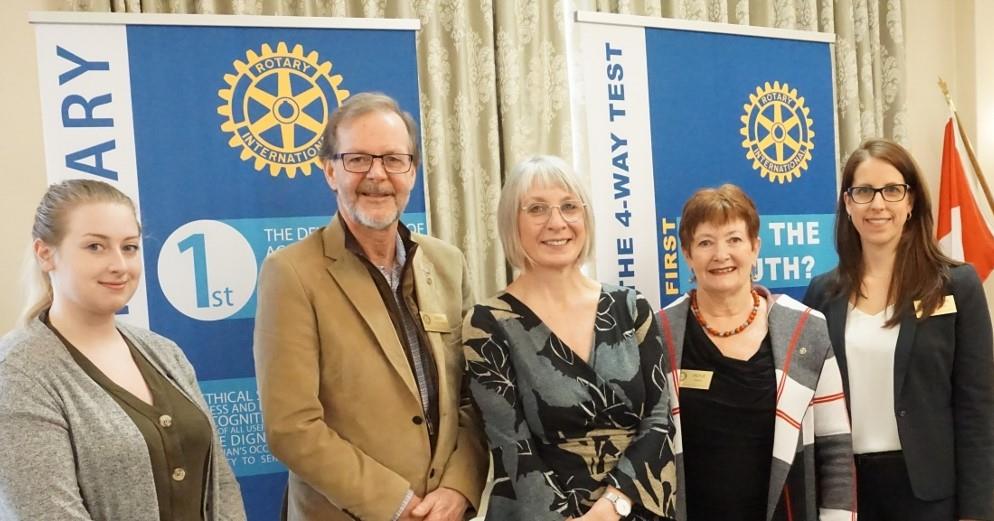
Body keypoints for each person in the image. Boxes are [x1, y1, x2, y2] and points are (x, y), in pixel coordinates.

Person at [253, 92, 487, 521]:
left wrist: (459, 486)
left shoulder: (448, 264)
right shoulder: (291, 274)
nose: (377, 175)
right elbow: (291, 426)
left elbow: (474, 395)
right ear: (330, 171)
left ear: (412, 172)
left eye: (393, 159)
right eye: (358, 159)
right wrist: (396, 505)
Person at [0, 179, 246, 521]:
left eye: (129, 247)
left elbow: (221, 484)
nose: (119, 265)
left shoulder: (165, 353)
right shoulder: (18, 372)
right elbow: (47, 512)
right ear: (45, 254)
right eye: (95, 247)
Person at [463, 155, 677, 520]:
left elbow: (659, 421)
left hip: (635, 508)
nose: (556, 222)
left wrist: (612, 506)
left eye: (568, 206)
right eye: (537, 209)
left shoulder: (632, 307)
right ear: (512, 222)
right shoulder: (486, 324)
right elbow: (511, 445)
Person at [803, 138, 994, 521]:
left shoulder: (956, 286)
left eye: (892, 190)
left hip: (930, 494)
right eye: (863, 191)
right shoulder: (822, 294)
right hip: (845, 491)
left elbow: (978, 408)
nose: (878, 204)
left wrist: (977, 511)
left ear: (911, 202)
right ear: (847, 204)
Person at [656, 184, 856, 521]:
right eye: (705, 242)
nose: (721, 254)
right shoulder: (661, 333)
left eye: (734, 239)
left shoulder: (806, 328)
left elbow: (834, 448)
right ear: (687, 254)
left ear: (755, 247)